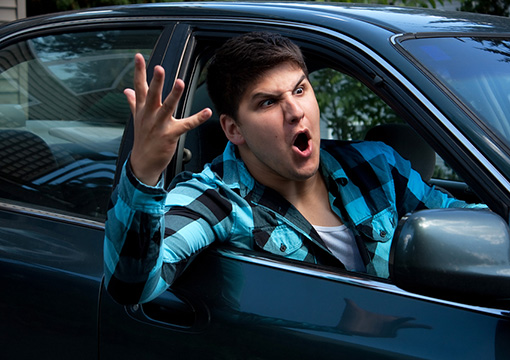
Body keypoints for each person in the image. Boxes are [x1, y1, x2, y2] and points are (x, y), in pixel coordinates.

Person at [104, 32, 485, 305]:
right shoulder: (218, 198)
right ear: (234, 129)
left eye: (300, 90)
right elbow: (130, 286)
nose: (295, 111)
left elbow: (470, 226)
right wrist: (144, 173)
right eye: (268, 103)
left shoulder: (377, 165)